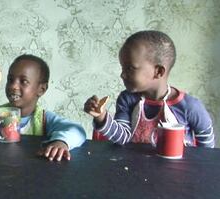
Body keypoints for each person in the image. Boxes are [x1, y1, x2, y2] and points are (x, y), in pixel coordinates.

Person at [84, 30, 215, 148]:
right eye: (122, 68)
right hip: (134, 170)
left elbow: (207, 148)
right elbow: (123, 138)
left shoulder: (189, 106)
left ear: (158, 72)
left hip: (177, 173)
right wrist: (101, 117)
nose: (122, 74)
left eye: (130, 68)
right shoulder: (127, 99)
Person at [0, 54, 87, 161]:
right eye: (10, 79)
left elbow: (77, 130)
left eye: (23, 81)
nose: (13, 86)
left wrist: (61, 142)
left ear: (41, 89)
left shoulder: (45, 121)